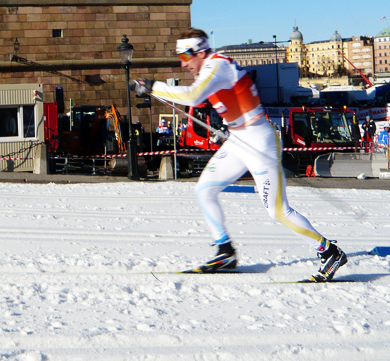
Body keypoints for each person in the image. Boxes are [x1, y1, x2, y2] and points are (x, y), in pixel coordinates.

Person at [129, 27, 347, 282]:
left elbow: (192, 96)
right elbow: (205, 100)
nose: (183, 64)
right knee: (204, 189)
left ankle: (328, 250)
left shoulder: (217, 66)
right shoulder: (209, 70)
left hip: (259, 141)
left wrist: (154, 86)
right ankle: (225, 251)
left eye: (185, 57)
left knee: (277, 211)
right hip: (238, 139)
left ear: (198, 52)